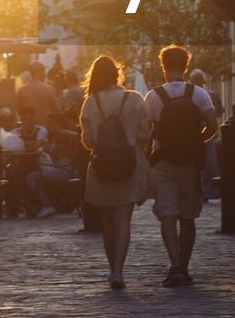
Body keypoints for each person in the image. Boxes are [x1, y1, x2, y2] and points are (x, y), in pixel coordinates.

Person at [143, 44, 218, 287]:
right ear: (186, 66)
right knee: (188, 216)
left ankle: (174, 264)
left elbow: (146, 133)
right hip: (189, 164)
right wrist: (197, 140)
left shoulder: (154, 96)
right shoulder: (198, 94)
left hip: (163, 163)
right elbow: (213, 126)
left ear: (163, 66)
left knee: (168, 215)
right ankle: (185, 266)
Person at [79, 55, 150, 290]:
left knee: (107, 222)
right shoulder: (134, 99)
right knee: (123, 221)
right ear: (117, 74)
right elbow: (144, 135)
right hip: (128, 164)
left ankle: (112, 269)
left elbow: (88, 141)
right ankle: (119, 269)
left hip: (101, 166)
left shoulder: (90, 102)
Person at [189, 67, 223, 198]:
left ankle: (210, 191)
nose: (197, 81)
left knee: (210, 163)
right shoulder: (188, 94)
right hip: (192, 133)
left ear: (203, 80)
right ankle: (197, 190)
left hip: (208, 133)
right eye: (195, 79)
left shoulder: (212, 94)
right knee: (195, 163)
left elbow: (219, 112)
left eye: (199, 78)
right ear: (191, 81)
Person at [16, 59, 60, 127]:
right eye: (43, 72)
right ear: (39, 72)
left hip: (28, 128)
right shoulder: (49, 89)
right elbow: (56, 110)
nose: (44, 74)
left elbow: (19, 110)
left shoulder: (21, 91)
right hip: (46, 128)